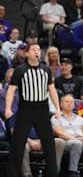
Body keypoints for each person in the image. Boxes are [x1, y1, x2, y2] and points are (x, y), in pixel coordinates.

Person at [6, 43, 62, 177]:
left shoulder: (46, 70)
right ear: (27, 53)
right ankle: (12, 174)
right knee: (18, 143)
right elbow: (11, 90)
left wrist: (58, 108)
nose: (37, 51)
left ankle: (52, 174)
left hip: (42, 108)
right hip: (26, 107)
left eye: (38, 49)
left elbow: (52, 90)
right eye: (34, 49)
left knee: (49, 143)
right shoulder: (20, 70)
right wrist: (8, 108)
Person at [52, 94, 83, 177]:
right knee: (77, 144)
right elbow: (59, 133)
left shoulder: (79, 118)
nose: (69, 104)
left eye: (71, 102)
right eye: (67, 102)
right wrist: (75, 139)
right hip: (65, 142)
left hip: (80, 140)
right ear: (61, 104)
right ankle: (72, 172)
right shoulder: (56, 117)